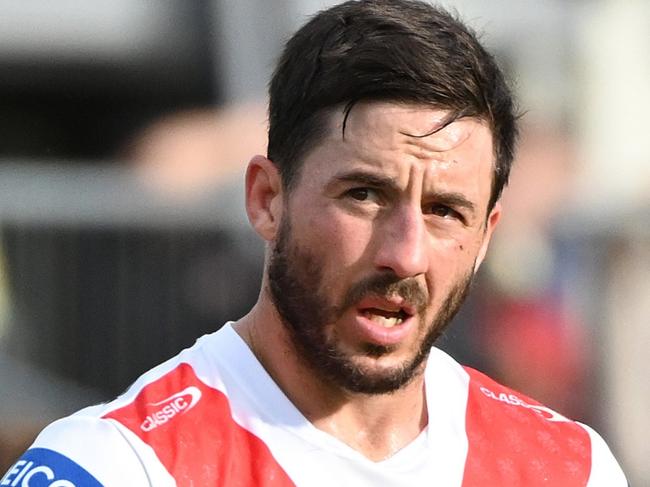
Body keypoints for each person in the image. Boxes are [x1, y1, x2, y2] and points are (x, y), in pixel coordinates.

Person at [2, 1, 628, 485]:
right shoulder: (116, 467)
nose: (405, 255)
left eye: (444, 212)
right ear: (266, 199)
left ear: (487, 235)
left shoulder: (569, 467)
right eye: (364, 196)